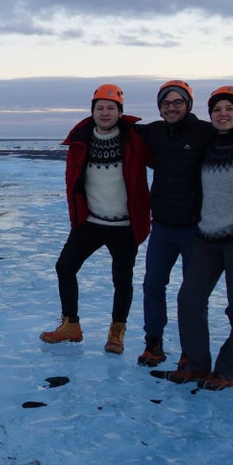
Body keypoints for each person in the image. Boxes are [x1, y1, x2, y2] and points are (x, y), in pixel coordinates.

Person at [153, 86, 233, 390]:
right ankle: (196, 366)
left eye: (229, 109)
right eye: (217, 110)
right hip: (207, 238)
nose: (222, 114)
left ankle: (227, 372)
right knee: (189, 300)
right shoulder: (210, 148)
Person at [40, 84, 150, 353]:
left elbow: (173, 157)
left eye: (111, 107)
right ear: (92, 111)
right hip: (90, 222)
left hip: (124, 225)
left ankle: (116, 333)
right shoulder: (82, 139)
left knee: (122, 280)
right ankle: (71, 326)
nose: (105, 112)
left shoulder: (136, 138)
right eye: (100, 107)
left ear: (120, 112)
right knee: (65, 267)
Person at [133, 80, 216, 367]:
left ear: (188, 105)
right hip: (163, 229)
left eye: (177, 102)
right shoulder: (154, 132)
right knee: (153, 285)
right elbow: (117, 128)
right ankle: (153, 344)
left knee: (192, 294)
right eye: (166, 103)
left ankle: (190, 351)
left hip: (195, 229)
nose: (171, 108)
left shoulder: (205, 132)